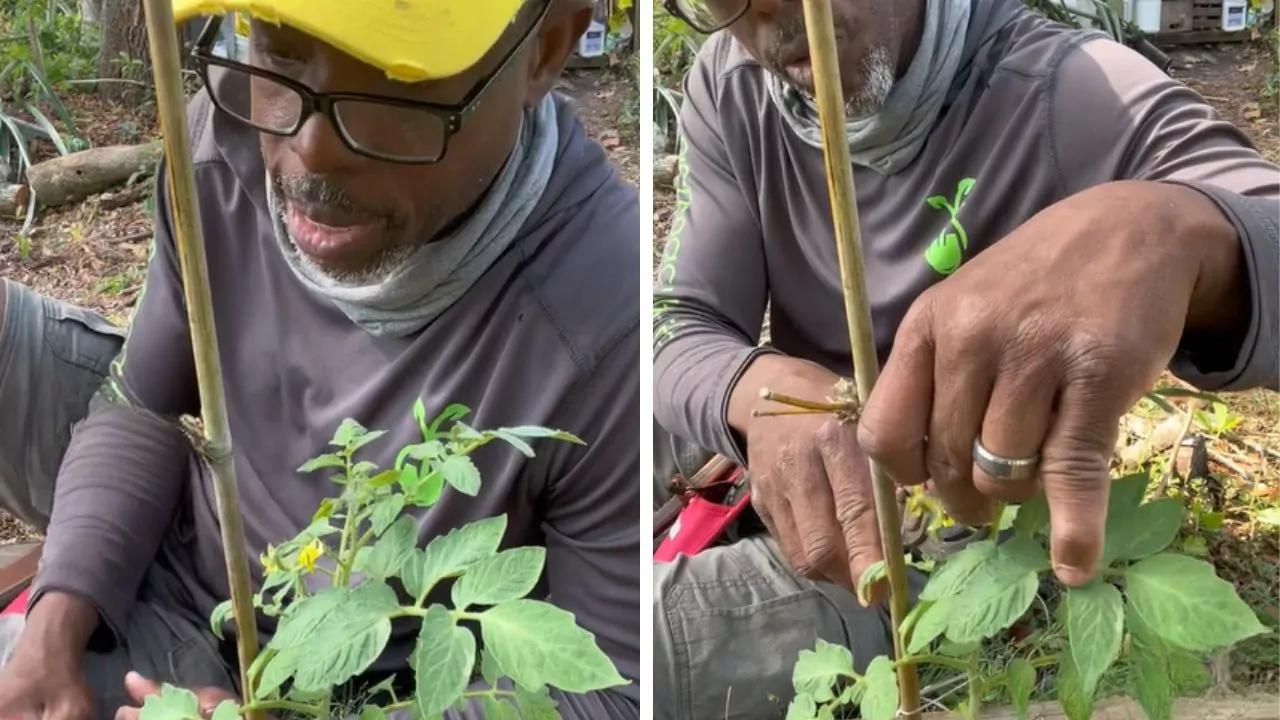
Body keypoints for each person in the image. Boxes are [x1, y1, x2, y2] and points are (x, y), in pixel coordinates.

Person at [0, 1, 641, 719]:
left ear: (547, 49)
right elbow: (144, 404)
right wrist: (53, 625)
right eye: (280, 50)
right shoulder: (222, 144)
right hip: (185, 577)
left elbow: (608, 690)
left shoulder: (603, 313)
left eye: (393, 86)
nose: (312, 148)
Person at [651, 0, 1279, 716]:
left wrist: (1178, 231)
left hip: (946, 540)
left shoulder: (1066, 90)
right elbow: (679, 320)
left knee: (647, 646)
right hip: (813, 459)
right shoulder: (732, 83)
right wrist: (754, 388)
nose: (761, 9)